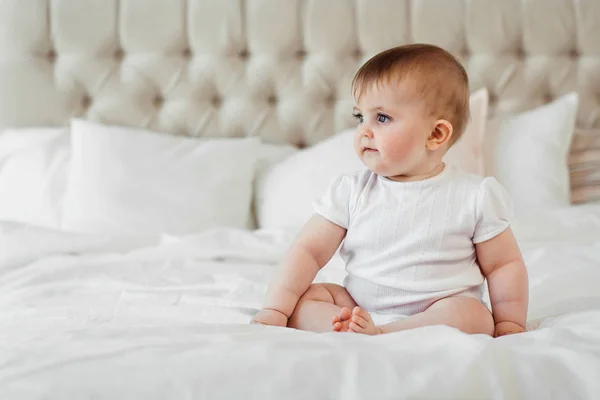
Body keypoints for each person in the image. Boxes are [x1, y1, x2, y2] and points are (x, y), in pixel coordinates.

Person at [251, 43, 528, 337]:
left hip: (436, 312)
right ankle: (351, 328)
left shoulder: (475, 196)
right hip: (358, 308)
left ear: (435, 134)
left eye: (381, 118)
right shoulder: (351, 191)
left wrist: (510, 323)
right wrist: (275, 309)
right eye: (361, 117)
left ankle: (385, 333)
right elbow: (307, 251)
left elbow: (503, 265)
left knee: (474, 316)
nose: (364, 131)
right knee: (306, 300)